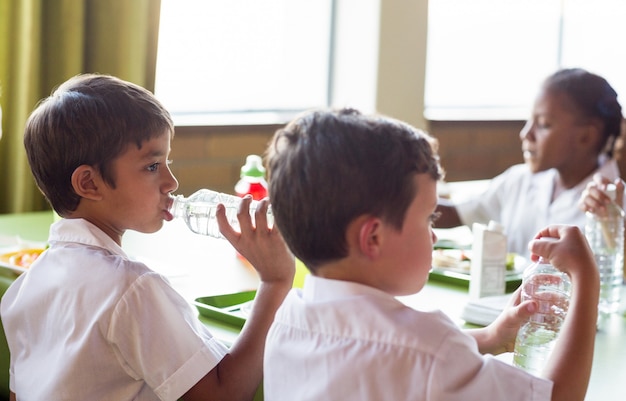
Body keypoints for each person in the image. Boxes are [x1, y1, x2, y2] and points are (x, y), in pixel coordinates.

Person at [262, 108, 599, 401]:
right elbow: (557, 396)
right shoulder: (430, 351)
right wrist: (586, 278)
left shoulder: (287, 319)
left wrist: (492, 337)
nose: (434, 234)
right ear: (373, 237)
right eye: (429, 218)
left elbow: (395, 351)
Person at [0, 74, 295, 401]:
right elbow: (222, 394)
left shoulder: (24, 287)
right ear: (89, 183)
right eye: (153, 166)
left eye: (166, 161)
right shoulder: (133, 289)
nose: (171, 182)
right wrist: (274, 282)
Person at [436, 68, 624, 258]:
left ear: (586, 136)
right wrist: (413, 190)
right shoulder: (519, 180)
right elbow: (455, 213)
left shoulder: (613, 203)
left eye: (543, 124)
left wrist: (615, 226)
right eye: (530, 120)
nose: (526, 134)